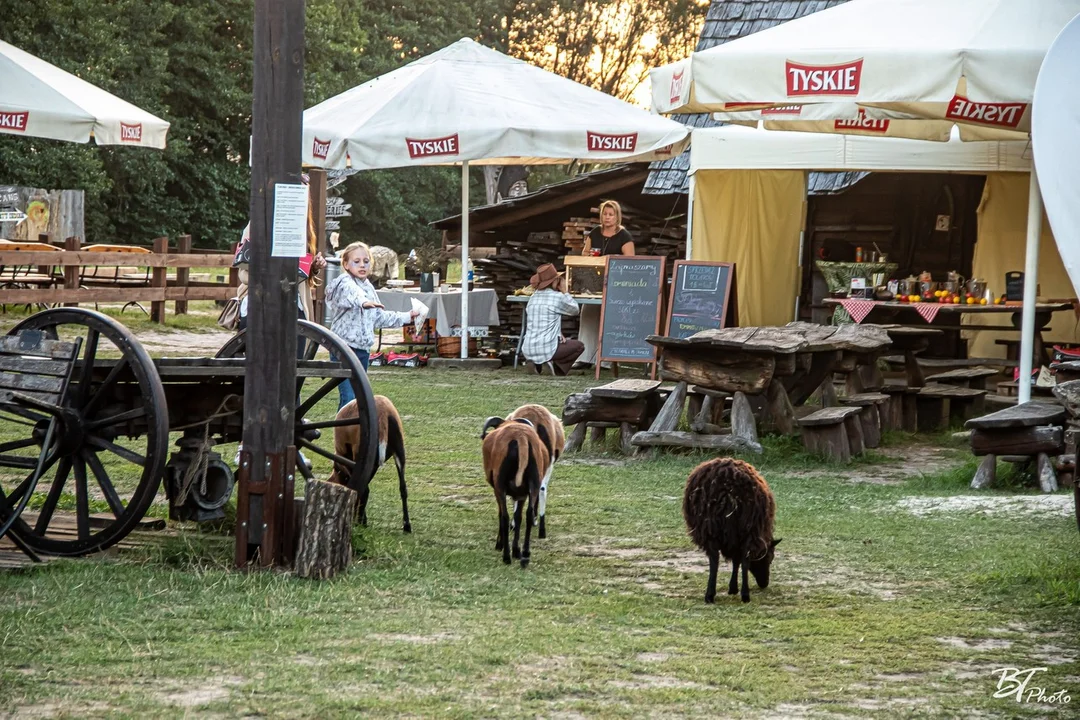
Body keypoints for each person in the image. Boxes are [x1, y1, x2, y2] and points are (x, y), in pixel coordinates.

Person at [326, 241, 420, 407]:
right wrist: (363, 302)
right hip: (344, 349)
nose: (362, 265)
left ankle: (357, 431)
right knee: (349, 398)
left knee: (359, 398)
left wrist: (407, 317)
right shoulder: (344, 283)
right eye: (357, 261)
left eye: (366, 261)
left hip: (362, 350)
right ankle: (345, 431)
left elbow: (379, 317)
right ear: (346, 265)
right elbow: (353, 295)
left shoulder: (368, 286)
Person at [521, 263, 584, 376]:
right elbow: (575, 310)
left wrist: (558, 333)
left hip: (527, 348)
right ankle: (557, 369)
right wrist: (565, 291)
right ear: (555, 282)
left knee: (550, 345)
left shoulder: (533, 297)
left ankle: (537, 366)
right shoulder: (558, 297)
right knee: (579, 346)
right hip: (547, 348)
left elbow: (542, 321)